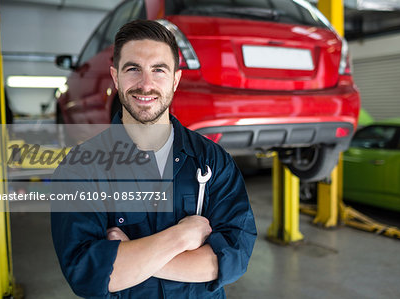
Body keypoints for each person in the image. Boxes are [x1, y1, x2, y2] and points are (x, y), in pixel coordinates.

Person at [51, 19, 257, 298]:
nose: (146, 85)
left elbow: (231, 260)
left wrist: (134, 255)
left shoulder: (213, 161)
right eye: (133, 69)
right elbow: (89, 274)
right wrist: (180, 237)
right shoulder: (80, 168)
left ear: (175, 79)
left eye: (158, 70)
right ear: (115, 77)